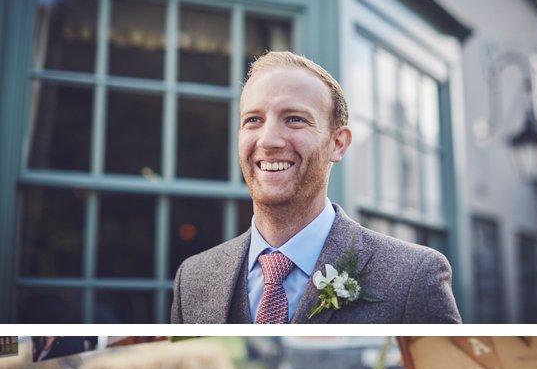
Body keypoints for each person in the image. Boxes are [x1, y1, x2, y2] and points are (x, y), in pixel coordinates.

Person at [171, 53, 460, 325]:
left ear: (338, 144)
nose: (268, 140)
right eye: (253, 120)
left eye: (294, 119)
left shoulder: (415, 277)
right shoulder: (193, 278)